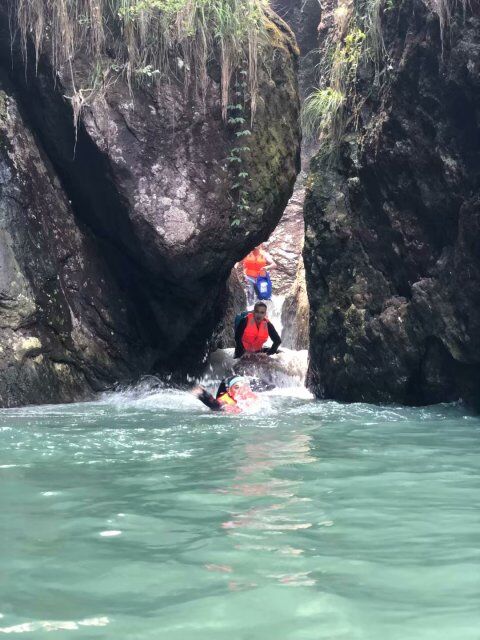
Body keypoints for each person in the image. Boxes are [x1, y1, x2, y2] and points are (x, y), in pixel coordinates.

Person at [193, 376, 257, 413]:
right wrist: (202, 394)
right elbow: (215, 404)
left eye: (245, 386)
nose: (242, 390)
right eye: (237, 387)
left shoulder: (253, 398)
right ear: (229, 391)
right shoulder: (225, 402)